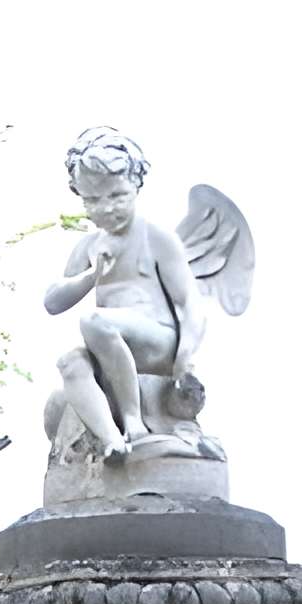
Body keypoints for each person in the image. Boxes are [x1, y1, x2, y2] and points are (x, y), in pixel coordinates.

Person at [44, 127, 207, 462]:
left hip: (157, 342)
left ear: (136, 186)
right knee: (70, 363)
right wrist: (92, 277)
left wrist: (185, 353)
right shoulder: (89, 246)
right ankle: (111, 440)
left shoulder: (154, 237)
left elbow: (190, 301)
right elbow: (52, 302)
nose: (105, 209)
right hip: (110, 346)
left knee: (95, 322)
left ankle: (134, 421)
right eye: (93, 200)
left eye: (117, 196)